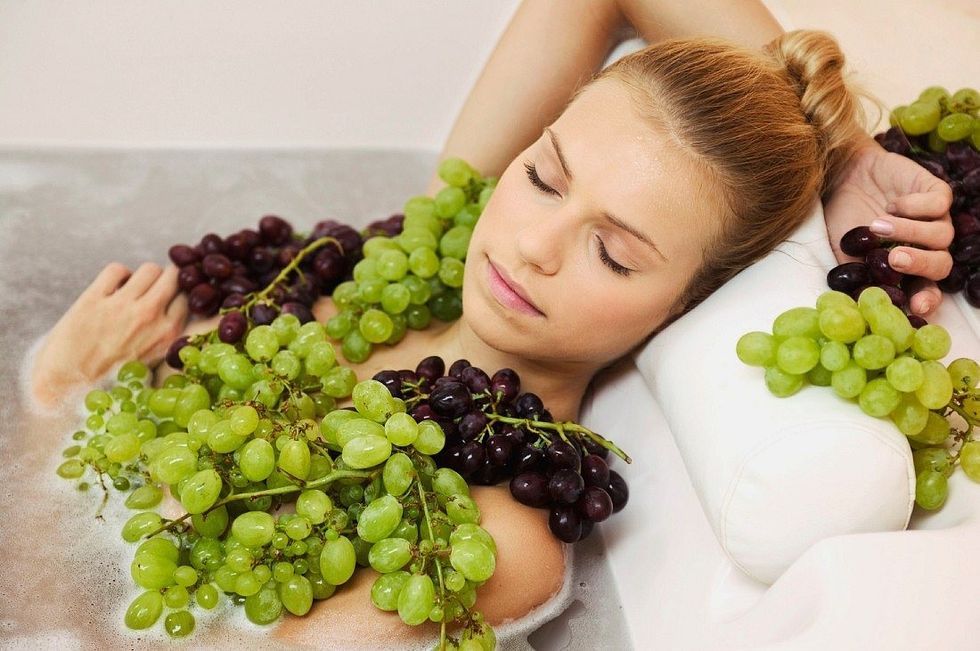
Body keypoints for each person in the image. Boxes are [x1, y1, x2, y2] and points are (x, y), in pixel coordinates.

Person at [26, 1, 955, 647]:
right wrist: (847, 152)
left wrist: (53, 398)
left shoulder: (497, 537)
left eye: (614, 253)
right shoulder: (417, 258)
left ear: (683, 303)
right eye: (546, 174)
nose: (529, 244)